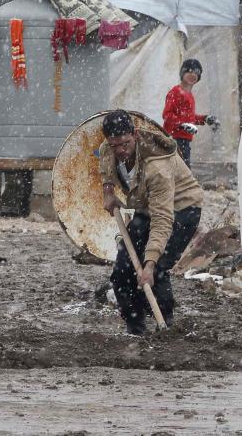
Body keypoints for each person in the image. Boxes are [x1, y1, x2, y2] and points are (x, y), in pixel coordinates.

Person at [98, 110, 203, 335]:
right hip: (145, 206)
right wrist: (108, 190)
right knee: (122, 271)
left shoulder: (157, 168)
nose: (121, 150)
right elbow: (106, 157)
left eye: (125, 144)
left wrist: (150, 263)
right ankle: (135, 328)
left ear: (135, 135)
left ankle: (164, 326)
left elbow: (163, 219)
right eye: (115, 145)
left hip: (182, 210)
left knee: (156, 271)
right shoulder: (110, 149)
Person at [162, 58, 218, 167]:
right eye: (189, 71)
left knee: (183, 174)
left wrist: (205, 119)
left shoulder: (189, 95)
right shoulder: (175, 92)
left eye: (196, 72)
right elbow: (167, 115)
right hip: (173, 141)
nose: (193, 74)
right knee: (181, 174)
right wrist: (182, 125)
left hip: (184, 142)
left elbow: (189, 118)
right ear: (182, 73)